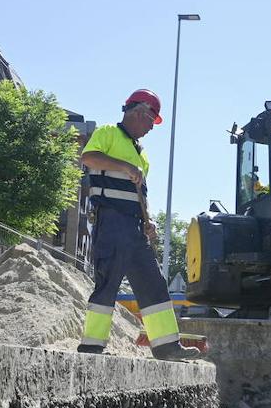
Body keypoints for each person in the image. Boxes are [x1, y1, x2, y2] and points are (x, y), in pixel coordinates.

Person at [76, 89, 201, 361]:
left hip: (134, 227)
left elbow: (140, 196)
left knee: (153, 284)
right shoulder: (109, 133)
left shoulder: (141, 154)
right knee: (108, 282)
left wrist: (149, 221)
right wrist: (124, 166)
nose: (149, 128)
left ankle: (167, 346)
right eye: (150, 121)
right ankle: (92, 346)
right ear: (139, 112)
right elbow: (88, 158)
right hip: (111, 221)